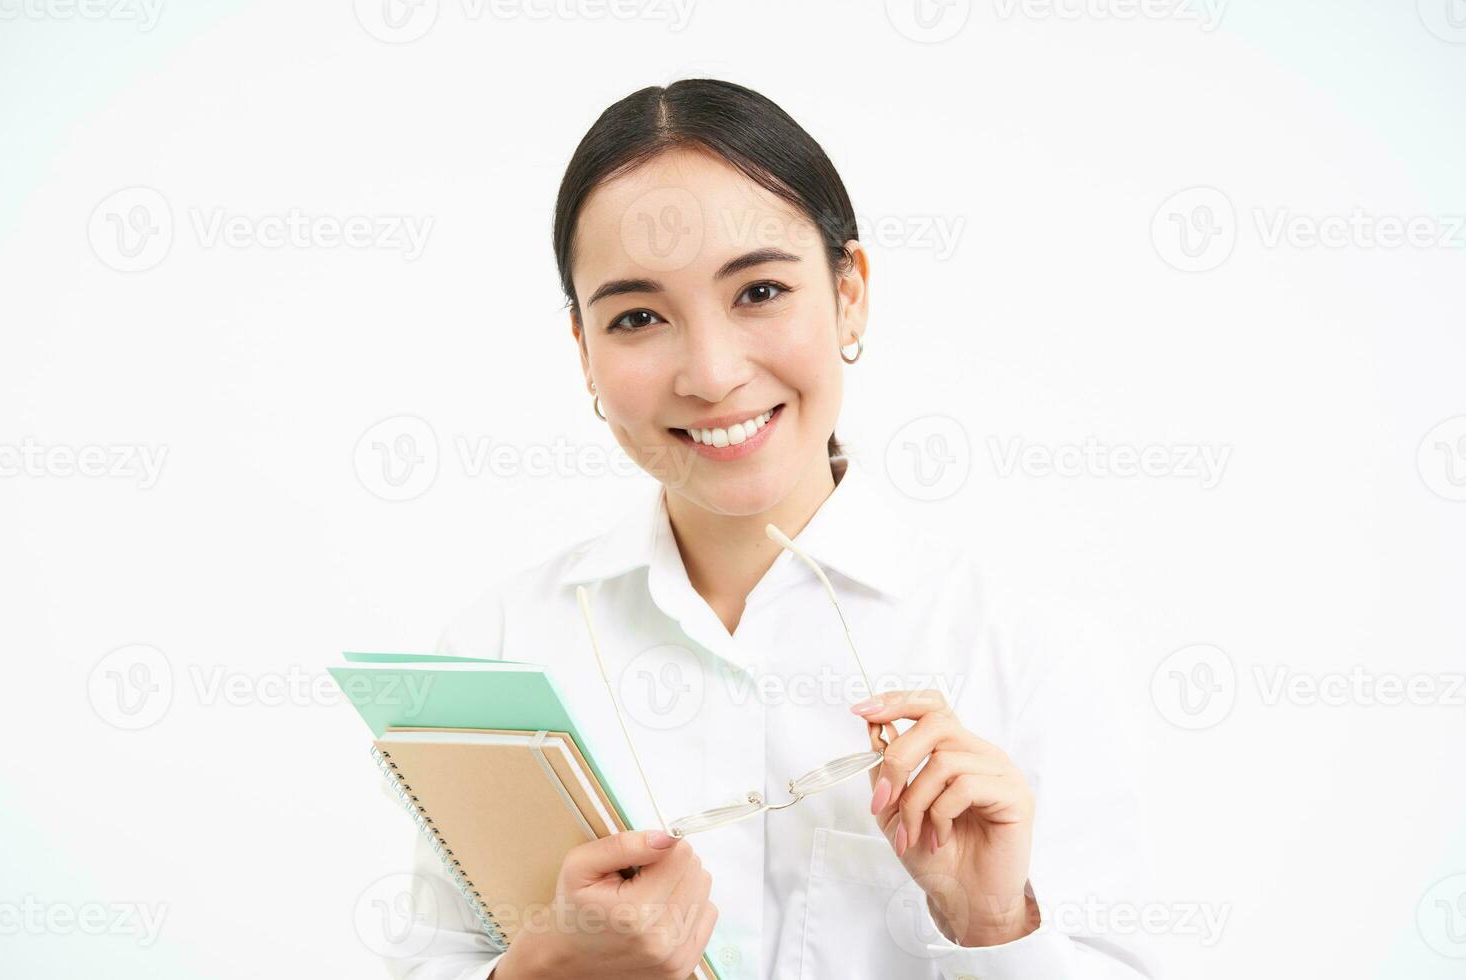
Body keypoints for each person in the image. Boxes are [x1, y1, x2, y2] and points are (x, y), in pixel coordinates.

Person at [382, 77, 1159, 980]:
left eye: (758, 291)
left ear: (850, 293)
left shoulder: (1026, 652)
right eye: (638, 317)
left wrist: (994, 923)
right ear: (583, 351)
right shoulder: (499, 649)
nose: (711, 375)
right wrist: (545, 969)